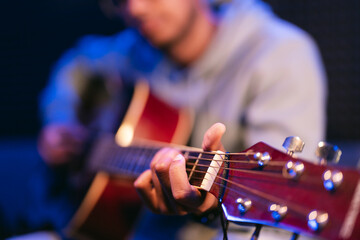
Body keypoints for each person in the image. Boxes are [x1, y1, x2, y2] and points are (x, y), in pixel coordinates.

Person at [38, 0, 326, 238]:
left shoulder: (280, 55)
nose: (135, 9)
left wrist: (210, 211)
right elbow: (75, 64)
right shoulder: (136, 50)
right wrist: (60, 120)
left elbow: (276, 224)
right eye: (119, 1)